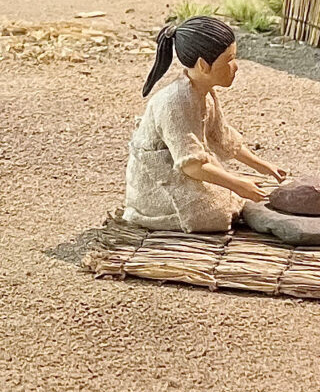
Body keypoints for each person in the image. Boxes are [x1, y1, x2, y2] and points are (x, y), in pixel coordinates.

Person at [121, 15, 287, 232]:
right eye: (229, 60)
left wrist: (262, 165)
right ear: (203, 65)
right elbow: (191, 165)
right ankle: (152, 215)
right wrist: (237, 183)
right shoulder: (175, 103)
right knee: (215, 215)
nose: (235, 67)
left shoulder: (204, 94)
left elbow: (222, 137)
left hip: (187, 167)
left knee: (232, 202)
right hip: (159, 179)